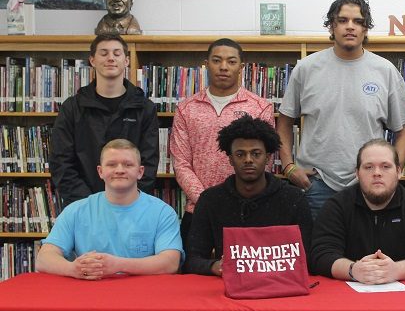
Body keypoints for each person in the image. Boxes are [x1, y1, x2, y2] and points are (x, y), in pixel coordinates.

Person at [276, 0, 405, 217]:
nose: (350, 27)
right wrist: (288, 166)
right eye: (342, 20)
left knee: (366, 252)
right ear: (332, 26)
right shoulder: (306, 68)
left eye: (358, 21)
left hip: (368, 186)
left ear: (366, 29)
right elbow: (284, 123)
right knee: (317, 251)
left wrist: (393, 174)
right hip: (315, 185)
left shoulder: (385, 71)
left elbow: (403, 132)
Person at [170, 38, 275, 246]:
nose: (224, 67)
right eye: (217, 60)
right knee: (195, 274)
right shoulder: (186, 108)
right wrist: (207, 201)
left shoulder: (260, 107)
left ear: (241, 67)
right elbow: (180, 163)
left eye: (231, 61)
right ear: (206, 64)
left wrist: (234, 201)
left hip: (247, 209)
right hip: (198, 210)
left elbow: (265, 159)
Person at [183, 116, 313, 276]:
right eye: (240, 154)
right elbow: (192, 259)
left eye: (256, 153)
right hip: (227, 286)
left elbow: (307, 257)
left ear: (267, 157)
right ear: (230, 159)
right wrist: (215, 266)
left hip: (280, 284)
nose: (248, 160)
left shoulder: (293, 199)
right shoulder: (211, 200)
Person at [36, 139, 181, 280]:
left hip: (144, 296)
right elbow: (44, 258)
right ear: (100, 171)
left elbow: (170, 263)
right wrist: (73, 269)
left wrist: (118, 265)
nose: (119, 170)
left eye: (128, 164)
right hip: (90, 294)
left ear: (140, 171)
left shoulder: (163, 213)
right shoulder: (76, 211)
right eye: (111, 164)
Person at [310, 139, 405, 284]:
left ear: (399, 172)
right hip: (348, 297)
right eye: (368, 167)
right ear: (357, 173)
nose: (377, 173)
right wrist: (353, 270)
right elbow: (320, 255)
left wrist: (396, 270)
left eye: (385, 166)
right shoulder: (336, 207)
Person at [50, 33, 159, 209]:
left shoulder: (145, 108)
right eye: (104, 53)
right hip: (83, 207)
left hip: (130, 208)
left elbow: (148, 164)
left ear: (126, 61)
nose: (110, 58)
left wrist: (125, 201)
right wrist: (91, 204)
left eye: (117, 53)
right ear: (92, 60)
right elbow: (61, 163)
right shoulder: (72, 108)